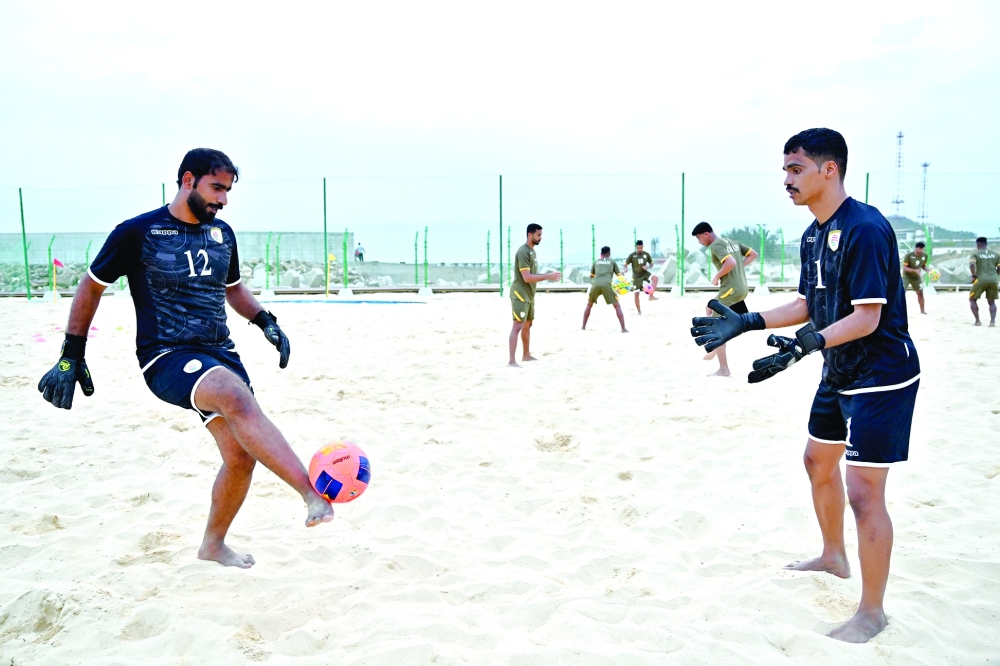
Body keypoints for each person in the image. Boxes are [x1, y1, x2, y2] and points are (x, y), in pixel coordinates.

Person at [36, 148, 334, 569]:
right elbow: (91, 286)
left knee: (239, 455)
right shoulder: (138, 232)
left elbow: (232, 289)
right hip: (166, 356)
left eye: (228, 191)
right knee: (235, 397)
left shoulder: (222, 235)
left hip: (221, 353)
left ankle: (213, 546)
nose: (223, 200)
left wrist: (265, 321)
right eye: (217, 188)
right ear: (188, 180)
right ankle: (311, 494)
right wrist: (71, 354)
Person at [690, 128, 920, 643]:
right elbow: (806, 305)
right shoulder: (814, 234)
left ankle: (872, 612)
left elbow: (865, 317)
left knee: (864, 493)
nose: (787, 181)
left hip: (881, 375)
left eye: (796, 169)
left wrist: (806, 343)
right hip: (838, 369)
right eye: (786, 171)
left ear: (828, 169)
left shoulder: (864, 228)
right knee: (817, 460)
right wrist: (746, 322)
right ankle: (834, 556)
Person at [691, 222, 758, 377]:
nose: (699, 242)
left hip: (731, 289)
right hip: (741, 288)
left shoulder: (715, 245)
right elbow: (753, 254)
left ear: (706, 234)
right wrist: (739, 269)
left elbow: (731, 262)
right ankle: (719, 345)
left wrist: (716, 276)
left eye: (699, 238)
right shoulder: (731, 242)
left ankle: (723, 367)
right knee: (710, 310)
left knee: (716, 324)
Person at [508, 224, 561, 366]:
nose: (540, 238)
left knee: (528, 324)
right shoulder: (522, 252)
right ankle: (512, 361)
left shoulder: (532, 252)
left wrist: (547, 276)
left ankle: (526, 355)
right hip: (520, 293)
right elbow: (526, 277)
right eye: (538, 235)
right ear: (530, 235)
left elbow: (533, 275)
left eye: (541, 235)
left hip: (529, 294)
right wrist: (548, 276)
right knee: (517, 325)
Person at [582, 246, 628, 332]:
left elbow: (591, 276)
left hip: (596, 284)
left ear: (601, 254)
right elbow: (619, 276)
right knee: (617, 306)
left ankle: (583, 327)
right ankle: (623, 329)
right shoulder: (612, 261)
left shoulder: (596, 262)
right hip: (607, 284)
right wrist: (623, 272)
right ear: (609, 253)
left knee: (589, 305)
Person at [968, 236, 999, 326]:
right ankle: (992, 322)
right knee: (992, 302)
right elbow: (999, 266)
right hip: (994, 279)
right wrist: (996, 275)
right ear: (986, 244)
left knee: (972, 299)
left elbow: (972, 265)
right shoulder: (995, 254)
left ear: (978, 244)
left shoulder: (975, 254)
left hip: (981, 279)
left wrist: (974, 276)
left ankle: (977, 321)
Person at [623, 241, 659, 314]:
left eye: (641, 248)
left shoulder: (646, 254)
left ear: (643, 247)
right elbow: (625, 264)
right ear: (636, 247)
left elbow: (651, 264)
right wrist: (625, 268)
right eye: (638, 248)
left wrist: (648, 266)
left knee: (655, 278)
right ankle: (639, 311)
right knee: (636, 294)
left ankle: (651, 296)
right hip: (636, 276)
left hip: (645, 273)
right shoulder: (632, 255)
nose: (640, 249)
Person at [901, 241, 930, 315]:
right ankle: (899, 311)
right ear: (916, 248)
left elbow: (923, 266)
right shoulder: (909, 255)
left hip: (916, 277)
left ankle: (922, 311)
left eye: (922, 249)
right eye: (920, 249)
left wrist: (928, 270)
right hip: (906, 276)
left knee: (920, 293)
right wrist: (914, 270)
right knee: (901, 293)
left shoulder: (925, 256)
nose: (921, 250)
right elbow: (904, 268)